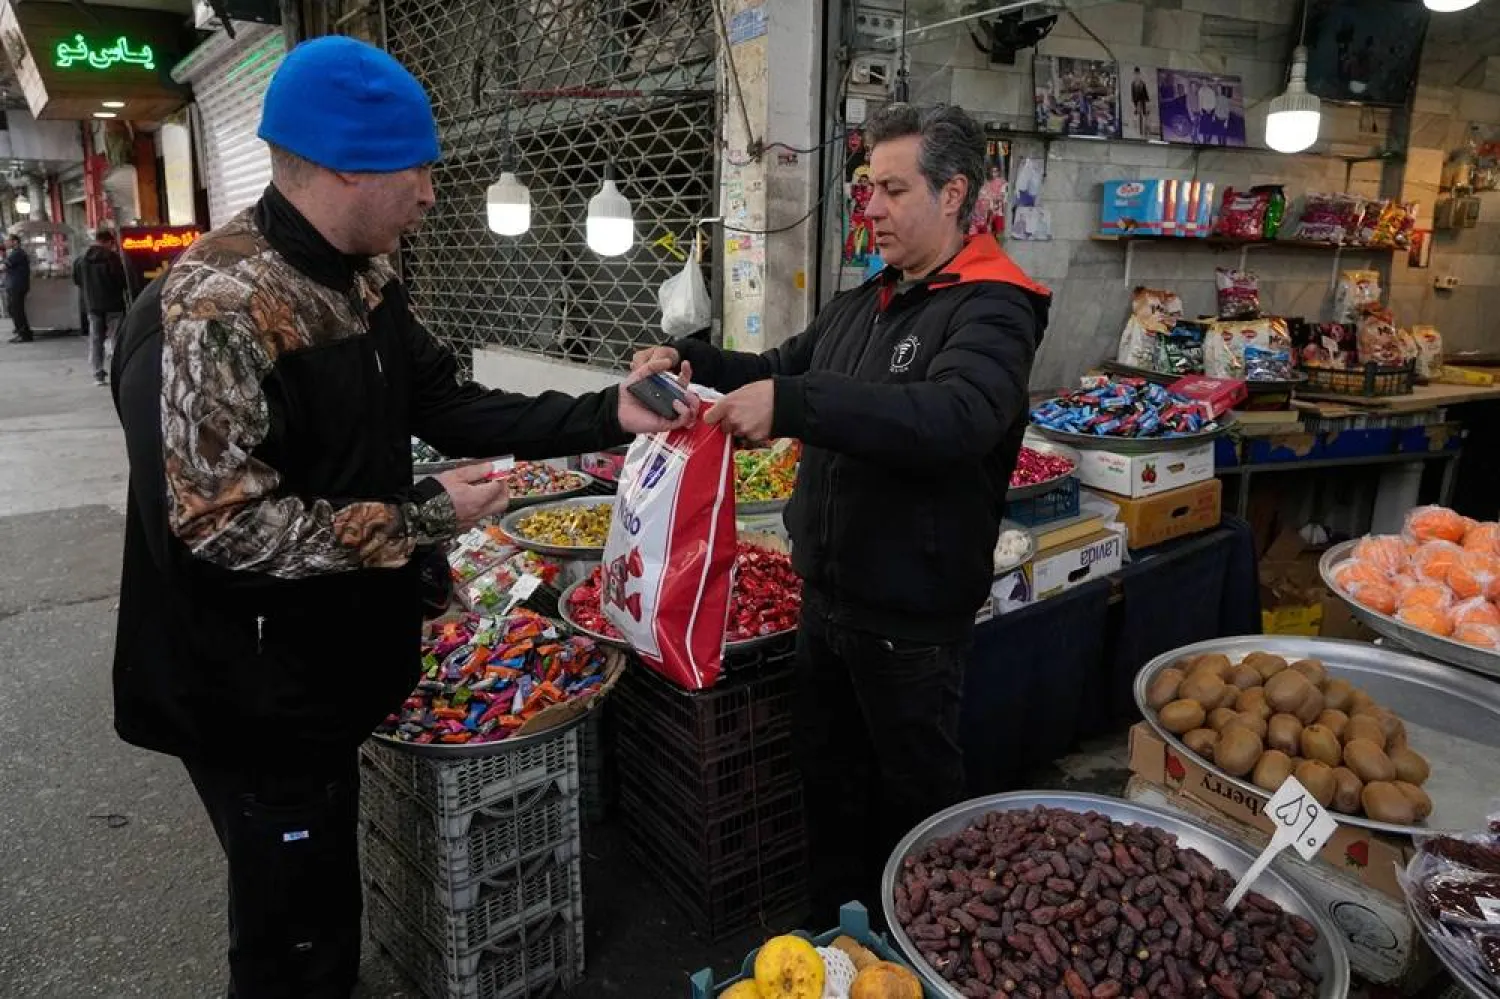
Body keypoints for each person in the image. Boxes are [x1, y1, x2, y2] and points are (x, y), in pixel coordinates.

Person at [109, 35, 695, 999]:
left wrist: (609, 409)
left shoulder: (364, 280)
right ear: (346, 166)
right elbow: (217, 531)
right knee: (291, 936)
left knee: (323, 898)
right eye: (418, 168)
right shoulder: (213, 311)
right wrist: (418, 519)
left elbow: (451, 402)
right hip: (248, 693)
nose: (431, 192)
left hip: (323, 671)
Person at [632, 102, 1051, 921]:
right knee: (829, 792)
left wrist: (794, 403)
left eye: (894, 190)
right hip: (824, 603)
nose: (872, 208)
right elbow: (780, 365)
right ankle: (835, 942)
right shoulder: (868, 302)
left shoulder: (994, 308)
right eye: (869, 189)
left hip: (911, 624)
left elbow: (954, 417)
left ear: (955, 191)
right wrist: (692, 360)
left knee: (915, 815)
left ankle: (918, 948)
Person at [78, 228, 129, 385]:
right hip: (113, 304)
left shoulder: (82, 259)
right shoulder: (112, 258)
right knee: (115, 339)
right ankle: (118, 372)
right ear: (108, 241)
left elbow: (77, 280)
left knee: (95, 339)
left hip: (93, 305)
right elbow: (121, 281)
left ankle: (97, 373)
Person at [4, 234, 32, 343]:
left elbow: (4, 266)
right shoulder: (15, 253)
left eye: (8, 241)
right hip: (15, 285)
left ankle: (24, 334)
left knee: (17, 310)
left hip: (17, 286)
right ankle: (20, 330)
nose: (5, 243)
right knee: (12, 308)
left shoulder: (17, 253)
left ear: (15, 242)